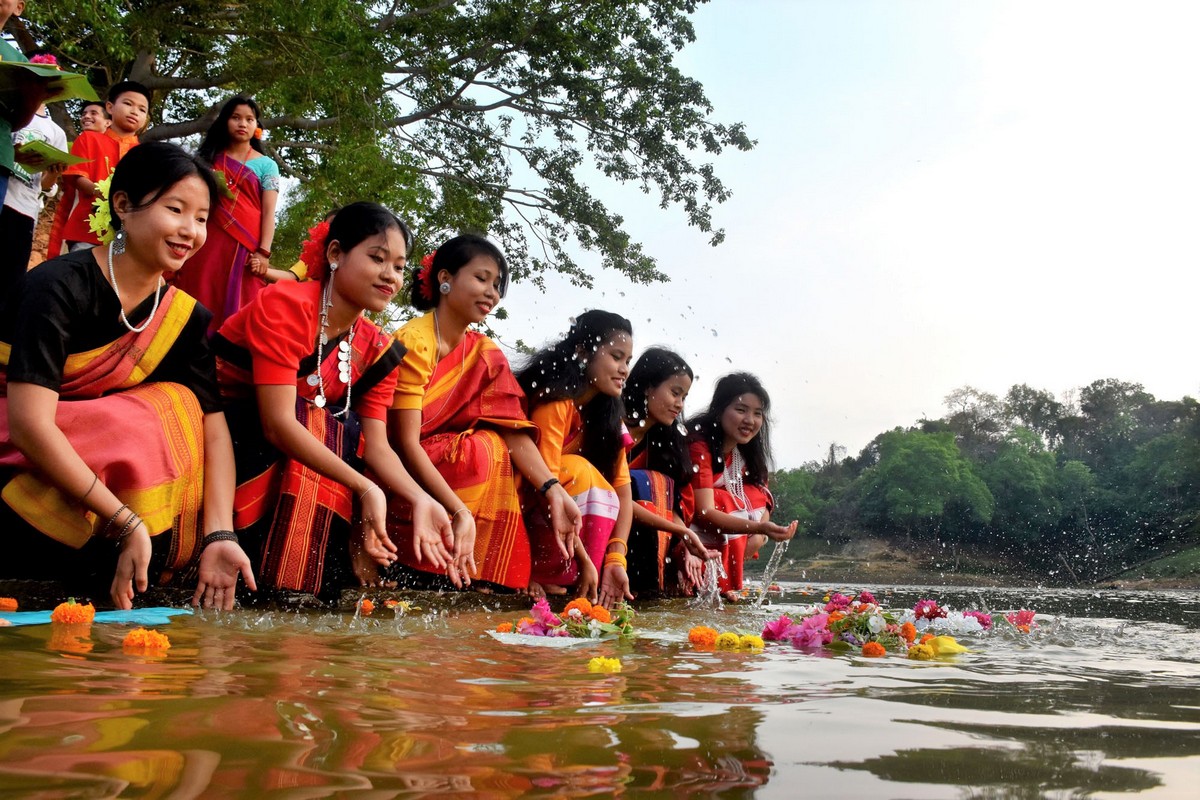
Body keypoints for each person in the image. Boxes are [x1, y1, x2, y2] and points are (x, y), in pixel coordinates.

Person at [0, 141, 256, 610]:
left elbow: (213, 427)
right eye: (175, 209)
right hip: (18, 459)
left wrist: (220, 533)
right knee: (133, 422)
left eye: (201, 219)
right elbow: (29, 424)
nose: (190, 231)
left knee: (180, 406)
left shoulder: (181, 317)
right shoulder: (57, 287)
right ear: (123, 204)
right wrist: (124, 518)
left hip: (96, 483)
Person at [214, 202, 452, 597]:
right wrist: (365, 488)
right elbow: (277, 421)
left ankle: (302, 587)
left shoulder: (378, 347)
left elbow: (378, 447)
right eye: (377, 258)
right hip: (230, 427)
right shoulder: (286, 304)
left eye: (397, 266)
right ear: (336, 254)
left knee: (343, 431)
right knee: (321, 424)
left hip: (293, 436)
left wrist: (420, 498)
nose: (389, 276)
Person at [386, 234, 581, 593]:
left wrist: (553, 489)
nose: (492, 292)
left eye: (497, 284)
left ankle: (477, 569)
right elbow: (403, 440)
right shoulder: (415, 341)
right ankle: (432, 560)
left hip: (441, 468)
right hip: (398, 466)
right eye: (481, 278)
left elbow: (513, 429)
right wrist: (459, 509)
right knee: (482, 450)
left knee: (502, 451)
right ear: (445, 278)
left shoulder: (485, 352)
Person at [515, 310, 635, 607]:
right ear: (582, 352)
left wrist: (616, 560)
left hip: (560, 519)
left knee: (603, 488)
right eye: (616, 357)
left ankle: (576, 584)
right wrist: (586, 561)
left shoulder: (608, 418)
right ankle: (531, 570)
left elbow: (623, 493)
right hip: (523, 503)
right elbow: (544, 486)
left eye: (628, 361)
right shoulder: (556, 398)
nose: (624, 370)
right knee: (581, 472)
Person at [174, 95, 279, 334]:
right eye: (236, 118)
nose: (243, 123)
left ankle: (228, 359)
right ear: (224, 122)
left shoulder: (267, 165)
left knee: (241, 300)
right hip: (207, 238)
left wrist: (263, 252)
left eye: (249, 119)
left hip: (247, 245)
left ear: (257, 127)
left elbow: (268, 212)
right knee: (199, 288)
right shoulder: (207, 160)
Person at [687, 372, 797, 601]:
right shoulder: (699, 446)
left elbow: (763, 496)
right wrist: (758, 530)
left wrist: (760, 532)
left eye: (758, 413)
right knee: (724, 500)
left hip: (734, 535)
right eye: (741, 410)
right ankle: (711, 580)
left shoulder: (747, 454)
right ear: (719, 410)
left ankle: (723, 580)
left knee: (750, 496)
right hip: (682, 525)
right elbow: (704, 512)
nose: (750, 420)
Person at [621, 347, 716, 596]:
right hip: (600, 515)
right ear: (647, 387)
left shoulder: (666, 445)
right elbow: (613, 496)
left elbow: (671, 507)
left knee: (657, 483)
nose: (679, 405)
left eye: (684, 397)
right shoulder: (612, 425)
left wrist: (685, 538)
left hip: (640, 536)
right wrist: (681, 532)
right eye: (675, 393)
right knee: (643, 482)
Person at [59, 80, 148, 251]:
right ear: (110, 107)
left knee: (116, 270)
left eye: (142, 109)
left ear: (145, 119)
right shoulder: (89, 139)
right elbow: (77, 177)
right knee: (83, 273)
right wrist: (101, 191)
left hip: (124, 231)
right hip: (87, 227)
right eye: (128, 103)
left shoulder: (146, 153)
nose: (134, 111)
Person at [1, 99, 66, 293]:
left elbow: (44, 185)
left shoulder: (56, 133)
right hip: (3, 198)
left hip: (25, 210)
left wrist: (54, 172)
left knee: (10, 280)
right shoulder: (8, 116)